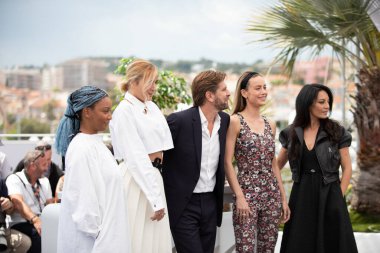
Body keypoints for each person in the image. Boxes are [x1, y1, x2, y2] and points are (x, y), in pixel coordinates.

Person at [277, 84, 358, 253]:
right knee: (301, 242)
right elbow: (276, 166)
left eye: (328, 101)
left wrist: (339, 194)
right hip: (301, 194)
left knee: (332, 242)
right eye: (321, 102)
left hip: (330, 191)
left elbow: (347, 167)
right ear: (307, 103)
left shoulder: (337, 131)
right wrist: (281, 196)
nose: (327, 106)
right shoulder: (290, 133)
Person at [55, 86, 130, 253]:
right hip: (95, 245)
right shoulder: (81, 149)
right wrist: (103, 237)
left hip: (108, 240)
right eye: (105, 111)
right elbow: (83, 205)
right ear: (87, 112)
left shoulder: (95, 144)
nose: (110, 117)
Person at [163, 70, 230, 253]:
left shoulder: (225, 120)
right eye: (224, 89)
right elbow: (160, 160)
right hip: (184, 205)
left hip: (211, 203)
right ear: (209, 95)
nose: (229, 93)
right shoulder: (179, 121)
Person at [109, 59, 173, 253]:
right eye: (150, 82)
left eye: (155, 82)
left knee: (155, 243)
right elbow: (136, 157)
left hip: (154, 177)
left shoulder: (151, 107)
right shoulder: (124, 111)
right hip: (137, 180)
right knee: (138, 242)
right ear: (134, 81)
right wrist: (155, 199)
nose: (154, 88)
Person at [224, 71, 290, 252]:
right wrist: (240, 198)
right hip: (246, 194)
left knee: (267, 248)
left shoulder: (271, 124)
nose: (263, 92)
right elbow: (227, 162)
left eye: (265, 87)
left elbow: (273, 163)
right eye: (258, 88)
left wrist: (283, 199)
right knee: (245, 248)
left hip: (271, 194)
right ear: (244, 93)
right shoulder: (235, 121)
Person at [6, 150, 53, 253]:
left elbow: (50, 206)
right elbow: (17, 202)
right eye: (44, 165)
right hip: (21, 223)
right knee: (38, 236)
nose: (46, 169)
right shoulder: (15, 179)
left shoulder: (45, 181)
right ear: (32, 166)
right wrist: (36, 220)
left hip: (42, 222)